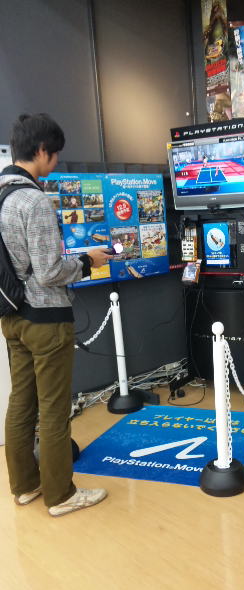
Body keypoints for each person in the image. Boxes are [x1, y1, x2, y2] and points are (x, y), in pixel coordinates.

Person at [0, 113, 112, 517]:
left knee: (21, 403)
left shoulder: (1, 195)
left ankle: (25, 486)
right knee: (53, 409)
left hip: (12, 317)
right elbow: (49, 272)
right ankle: (61, 495)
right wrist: (86, 261)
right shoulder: (34, 200)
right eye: (56, 154)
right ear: (42, 150)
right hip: (46, 321)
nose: (57, 161)